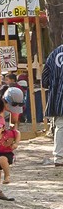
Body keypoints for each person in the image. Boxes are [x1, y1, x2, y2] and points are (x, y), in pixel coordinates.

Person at [43, 38, 63, 166]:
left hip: (58, 96)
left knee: (60, 126)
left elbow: (45, 78)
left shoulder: (55, 53)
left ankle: (59, 157)